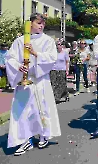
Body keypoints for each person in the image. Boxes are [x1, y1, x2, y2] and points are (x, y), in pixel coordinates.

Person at [5, 13, 61, 155]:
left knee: (42, 108)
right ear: (30, 24)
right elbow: (10, 58)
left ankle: (44, 135)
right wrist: (18, 66)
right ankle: (25, 140)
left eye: (43, 23)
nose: (41, 26)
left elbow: (52, 58)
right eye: (38, 23)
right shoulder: (20, 41)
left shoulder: (47, 40)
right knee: (24, 111)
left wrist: (35, 53)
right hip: (24, 80)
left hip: (40, 78)